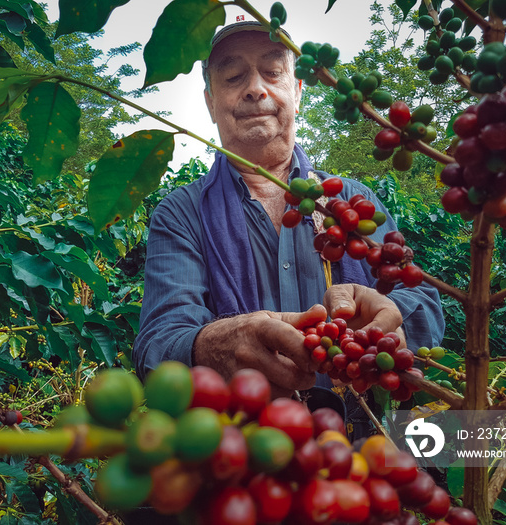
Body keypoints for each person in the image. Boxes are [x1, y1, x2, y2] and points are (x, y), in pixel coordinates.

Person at [133, 21, 444, 414]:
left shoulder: (352, 200)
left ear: (296, 93)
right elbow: (158, 342)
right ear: (211, 104)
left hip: (369, 449)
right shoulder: (180, 214)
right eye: (232, 76)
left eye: (273, 72)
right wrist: (212, 344)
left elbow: (423, 299)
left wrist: (394, 325)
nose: (254, 88)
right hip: (249, 452)